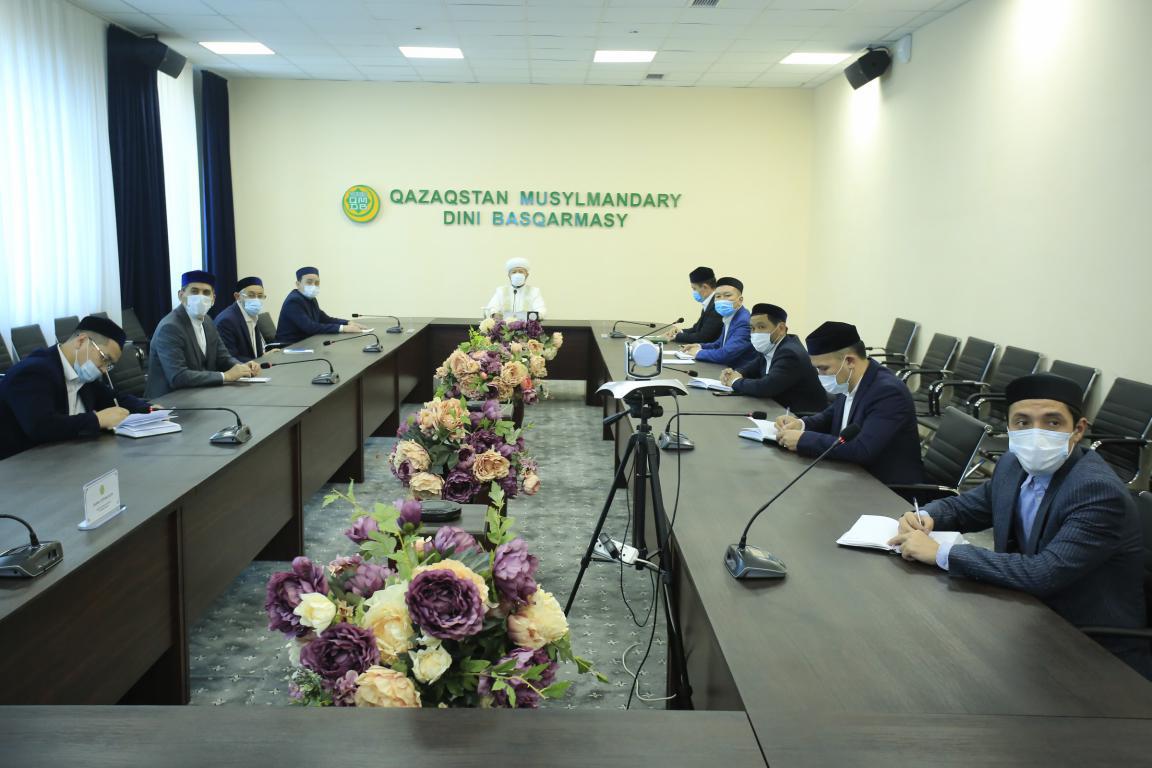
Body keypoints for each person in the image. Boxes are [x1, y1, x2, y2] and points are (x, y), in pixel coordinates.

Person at [888, 373, 1151, 678]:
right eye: (1023, 422)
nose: (1035, 434)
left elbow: (1043, 573)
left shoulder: (1096, 491)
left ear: (1078, 430)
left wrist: (940, 553)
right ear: (1010, 427)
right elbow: (969, 507)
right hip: (1026, 617)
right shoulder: (1013, 463)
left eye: (1052, 422)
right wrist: (926, 516)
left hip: (1090, 647)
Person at [774, 321, 922, 484]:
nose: (820, 375)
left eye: (823, 368)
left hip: (886, 486)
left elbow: (863, 449)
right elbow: (830, 415)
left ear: (850, 361)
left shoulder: (889, 393)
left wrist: (803, 440)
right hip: (850, 473)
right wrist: (801, 424)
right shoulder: (850, 379)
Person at [0, 316, 151, 460]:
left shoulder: (82, 373)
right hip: (21, 466)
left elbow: (113, 398)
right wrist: (97, 419)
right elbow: (41, 426)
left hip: (67, 458)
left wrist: (150, 409)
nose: (105, 369)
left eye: (109, 365)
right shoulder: (33, 372)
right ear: (81, 341)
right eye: (104, 358)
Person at [145, 270, 261, 398]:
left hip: (201, 394)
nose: (200, 297)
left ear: (213, 299)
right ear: (181, 295)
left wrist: (242, 367)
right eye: (194, 291)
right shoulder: (170, 327)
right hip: (168, 400)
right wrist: (226, 376)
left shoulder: (208, 322)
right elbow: (178, 376)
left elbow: (223, 357)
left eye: (206, 293)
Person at [718, 303, 827, 413]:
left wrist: (734, 381)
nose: (755, 333)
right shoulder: (771, 346)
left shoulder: (790, 353)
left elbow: (765, 387)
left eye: (761, 327)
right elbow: (750, 368)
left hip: (800, 415)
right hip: (777, 408)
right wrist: (733, 373)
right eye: (752, 328)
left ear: (781, 328)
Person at [679, 277, 758, 369]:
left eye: (727, 295)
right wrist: (699, 346)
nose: (722, 300)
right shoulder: (729, 315)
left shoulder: (744, 322)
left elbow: (726, 354)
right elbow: (719, 344)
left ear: (740, 300)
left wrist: (698, 352)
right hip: (724, 368)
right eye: (718, 296)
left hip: (738, 371)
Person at [275, 266, 366, 346]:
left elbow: (325, 319)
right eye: (309, 282)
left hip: (306, 343)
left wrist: (347, 322)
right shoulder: (294, 301)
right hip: (289, 346)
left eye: (317, 283)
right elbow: (310, 327)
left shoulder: (310, 298)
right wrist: (343, 328)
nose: (313, 286)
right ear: (298, 284)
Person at [664, 266, 722, 345]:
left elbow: (702, 337)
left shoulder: (716, 306)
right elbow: (696, 329)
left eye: (694, 288)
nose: (694, 292)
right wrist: (680, 331)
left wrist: (676, 336)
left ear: (705, 287)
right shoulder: (709, 303)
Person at [215, 276, 267, 362]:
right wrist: (255, 362)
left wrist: (265, 356)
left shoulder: (252, 314)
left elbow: (256, 352)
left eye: (260, 296)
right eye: (251, 295)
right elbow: (229, 358)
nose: (256, 300)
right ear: (237, 296)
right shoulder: (227, 321)